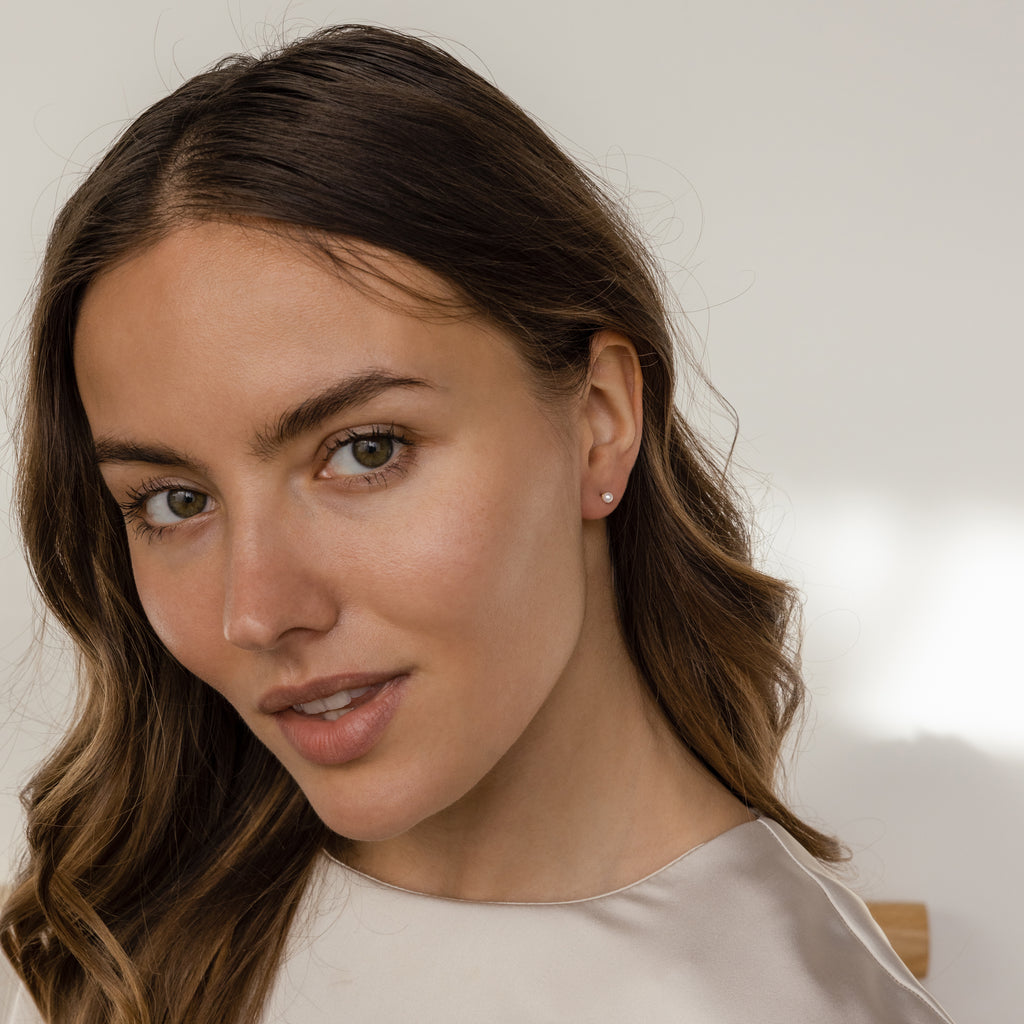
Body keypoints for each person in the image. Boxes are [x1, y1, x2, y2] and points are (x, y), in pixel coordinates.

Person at [0, 24, 953, 1024]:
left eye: (366, 449)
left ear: (599, 423)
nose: (257, 610)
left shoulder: (792, 1002)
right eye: (175, 500)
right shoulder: (124, 928)